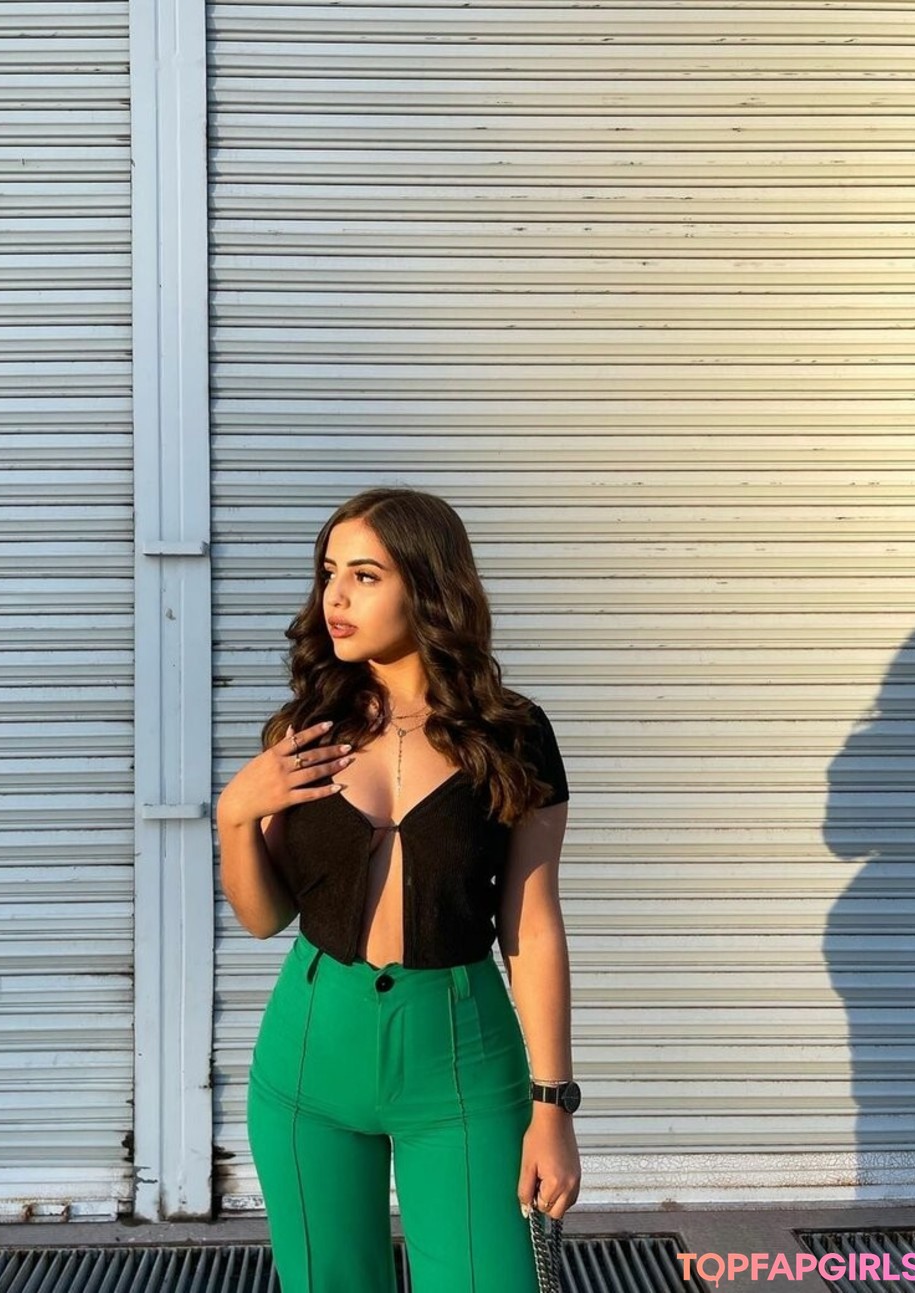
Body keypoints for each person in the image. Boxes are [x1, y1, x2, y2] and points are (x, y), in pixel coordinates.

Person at [215, 487, 579, 1293]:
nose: (335, 597)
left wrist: (553, 1104)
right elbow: (264, 916)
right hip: (309, 1058)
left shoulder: (512, 735)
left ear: (429, 584)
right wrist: (234, 813)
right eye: (328, 572)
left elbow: (532, 924)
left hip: (461, 1061)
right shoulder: (305, 729)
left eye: (365, 575)